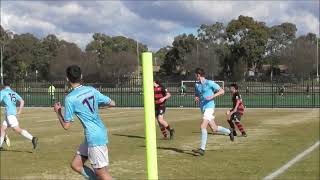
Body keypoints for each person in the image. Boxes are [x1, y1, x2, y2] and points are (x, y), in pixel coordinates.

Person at [53, 65, 115, 180]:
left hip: (94, 136)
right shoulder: (91, 90)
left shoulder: (70, 98)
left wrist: (58, 112)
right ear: (81, 76)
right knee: (76, 165)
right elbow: (112, 103)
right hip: (95, 133)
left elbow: (66, 126)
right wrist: (96, 108)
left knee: (102, 173)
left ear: (67, 79)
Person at [192, 68, 234, 156]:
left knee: (203, 126)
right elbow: (197, 94)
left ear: (198, 75)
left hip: (210, 107)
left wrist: (212, 96)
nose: (195, 76)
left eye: (195, 75)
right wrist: (196, 98)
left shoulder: (209, 82)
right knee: (214, 128)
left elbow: (222, 91)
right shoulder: (196, 85)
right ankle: (229, 131)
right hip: (203, 108)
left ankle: (202, 149)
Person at [0, 79, 38, 150]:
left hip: (10, 114)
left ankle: (33, 138)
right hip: (12, 113)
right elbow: (22, 101)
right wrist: (19, 111)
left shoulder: (3, 92)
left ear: (3, 84)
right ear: (10, 84)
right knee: (2, 128)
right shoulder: (13, 92)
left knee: (16, 129)